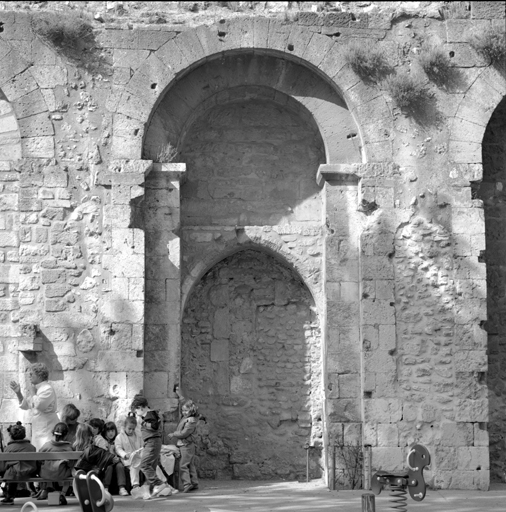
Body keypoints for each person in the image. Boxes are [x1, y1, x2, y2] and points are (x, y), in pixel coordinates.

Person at [9, 363, 60, 450]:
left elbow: (39, 405)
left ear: (39, 375)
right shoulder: (38, 389)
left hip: (47, 428)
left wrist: (33, 392)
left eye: (31, 374)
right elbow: (26, 405)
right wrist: (18, 393)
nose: (29, 376)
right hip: (39, 429)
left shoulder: (47, 389)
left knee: (46, 454)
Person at [130, 394, 169, 499]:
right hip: (152, 442)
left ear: (141, 407)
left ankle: (158, 484)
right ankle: (148, 490)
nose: (137, 414)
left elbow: (154, 426)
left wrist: (142, 423)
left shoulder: (149, 414)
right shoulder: (150, 414)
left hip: (152, 442)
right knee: (151, 466)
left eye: (137, 411)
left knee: (144, 465)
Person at [0, 422, 37, 505]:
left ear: (11, 436)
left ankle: (9, 496)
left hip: (13, 475)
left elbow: (3, 467)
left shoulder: (8, 448)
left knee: (12, 471)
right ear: (24, 435)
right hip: (30, 473)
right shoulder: (31, 447)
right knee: (16, 470)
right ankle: (33, 490)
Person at [38, 422, 75, 505]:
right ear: (66, 434)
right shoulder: (68, 447)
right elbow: (71, 463)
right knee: (69, 470)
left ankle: (45, 489)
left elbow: (39, 459)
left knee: (46, 466)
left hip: (46, 474)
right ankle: (63, 493)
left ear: (53, 433)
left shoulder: (46, 445)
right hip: (62, 474)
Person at [167, 399, 199, 493]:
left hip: (186, 445)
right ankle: (194, 483)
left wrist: (174, 434)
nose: (184, 412)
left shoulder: (191, 421)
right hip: (186, 445)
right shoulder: (187, 418)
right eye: (183, 410)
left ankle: (187, 483)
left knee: (183, 465)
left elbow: (184, 433)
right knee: (190, 464)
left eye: (186, 410)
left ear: (191, 410)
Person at [73, 424, 116, 490]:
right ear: (89, 436)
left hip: (76, 472)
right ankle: (104, 488)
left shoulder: (74, 447)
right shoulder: (91, 448)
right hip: (90, 473)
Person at [102, 421, 128, 496]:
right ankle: (106, 487)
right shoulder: (104, 441)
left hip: (117, 460)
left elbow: (121, 451)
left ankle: (122, 488)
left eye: (112, 431)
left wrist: (119, 458)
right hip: (108, 461)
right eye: (108, 431)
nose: (111, 433)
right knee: (109, 467)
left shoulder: (118, 439)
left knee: (120, 466)